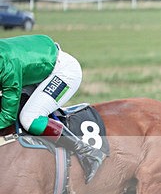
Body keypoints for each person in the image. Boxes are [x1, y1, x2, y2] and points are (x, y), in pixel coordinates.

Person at [0, 34, 105, 182]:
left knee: (29, 118)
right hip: (37, 69)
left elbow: (8, 115)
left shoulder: (6, 66)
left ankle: (88, 152)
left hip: (63, 72)